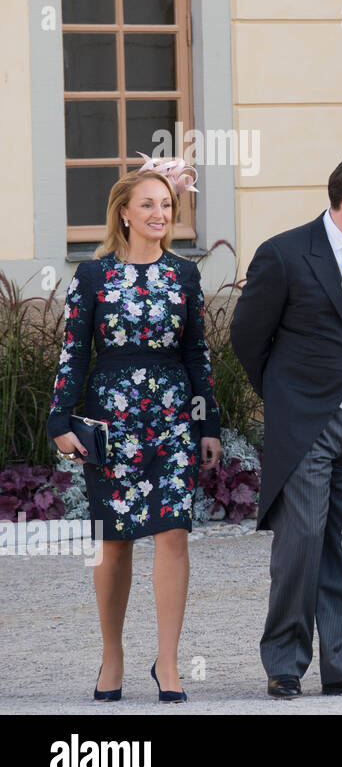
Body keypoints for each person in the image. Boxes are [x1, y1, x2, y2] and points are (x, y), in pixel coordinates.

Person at [48, 160, 221, 703]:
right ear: (123, 213)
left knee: (173, 531)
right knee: (115, 541)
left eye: (166, 205)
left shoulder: (184, 274)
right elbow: (73, 352)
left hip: (172, 416)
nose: (159, 214)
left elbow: (197, 353)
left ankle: (167, 661)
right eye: (147, 204)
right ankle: (113, 655)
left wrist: (208, 422)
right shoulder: (93, 275)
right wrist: (59, 418)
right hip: (111, 416)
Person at [231, 155, 342, 699]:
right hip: (305, 422)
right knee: (300, 544)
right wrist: (286, 400)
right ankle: (284, 664)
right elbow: (246, 337)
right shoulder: (284, 253)